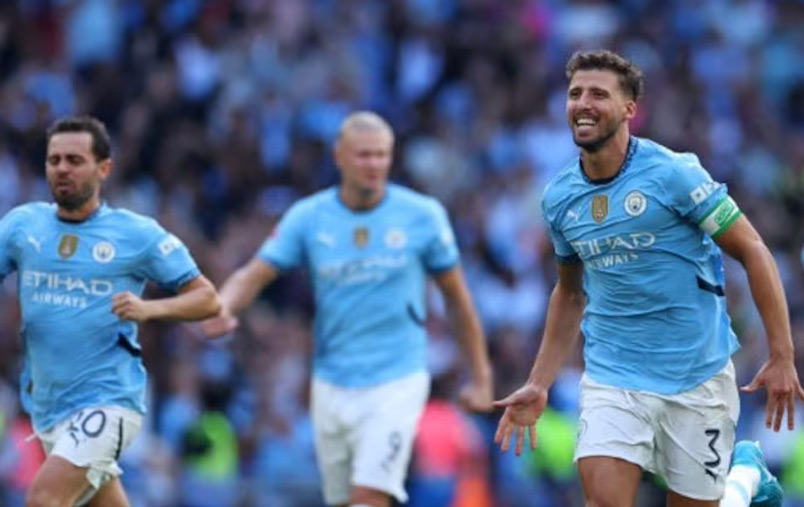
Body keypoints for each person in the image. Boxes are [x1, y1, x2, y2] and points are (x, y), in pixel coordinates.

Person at [492, 50, 804, 507]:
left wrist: (781, 353)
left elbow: (753, 250)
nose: (583, 103)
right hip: (613, 376)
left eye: (599, 94)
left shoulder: (674, 174)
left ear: (629, 109)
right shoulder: (560, 197)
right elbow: (570, 291)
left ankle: (743, 477)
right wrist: (539, 381)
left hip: (696, 373)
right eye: (575, 93)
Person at [200, 111, 494, 507]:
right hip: (333, 382)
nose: (373, 165)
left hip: (396, 378)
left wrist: (479, 373)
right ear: (339, 157)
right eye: (362, 156)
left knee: (369, 494)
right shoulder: (309, 217)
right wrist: (226, 305)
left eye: (381, 155)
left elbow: (458, 300)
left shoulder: (422, 217)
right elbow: (255, 272)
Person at [0, 115, 222, 507]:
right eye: (54, 161)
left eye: (74, 160)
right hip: (50, 408)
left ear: (103, 168)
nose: (62, 169)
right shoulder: (22, 226)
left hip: (110, 401)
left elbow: (207, 298)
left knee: (44, 499)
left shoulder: (135, 233)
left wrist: (149, 309)